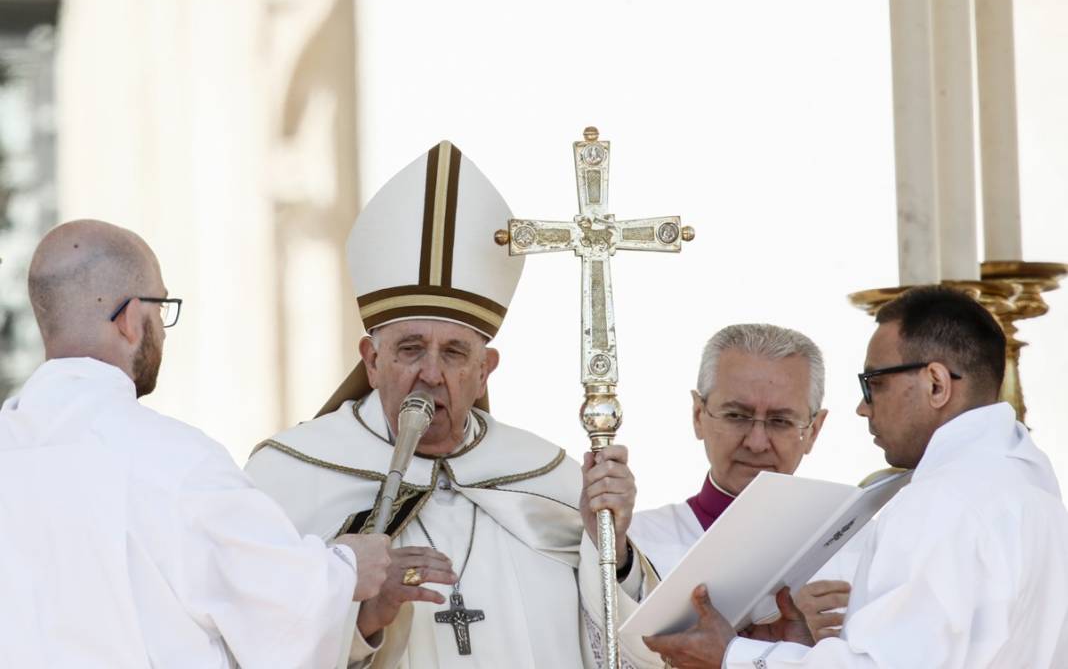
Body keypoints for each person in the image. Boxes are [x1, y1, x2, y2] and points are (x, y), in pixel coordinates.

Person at [246, 141, 664, 668]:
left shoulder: (549, 478)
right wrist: (363, 619)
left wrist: (611, 548)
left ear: (485, 369)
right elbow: (249, 638)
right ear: (371, 361)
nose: (430, 373)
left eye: (454, 353)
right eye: (410, 349)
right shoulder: (286, 478)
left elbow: (639, 652)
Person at [0, 220, 391, 669]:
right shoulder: (175, 461)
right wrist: (348, 568)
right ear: (129, 319)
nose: (164, 331)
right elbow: (283, 613)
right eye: (161, 307)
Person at [644, 285, 1068, 668]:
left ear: (936, 384)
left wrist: (733, 654)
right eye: (737, 415)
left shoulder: (938, 502)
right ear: (698, 414)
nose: (863, 408)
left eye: (873, 384)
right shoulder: (1031, 488)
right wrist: (803, 648)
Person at [628, 323, 856, 640]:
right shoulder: (633, 548)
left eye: (780, 421)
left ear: (814, 431)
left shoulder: (862, 547)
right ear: (698, 415)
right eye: (736, 416)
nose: (756, 442)